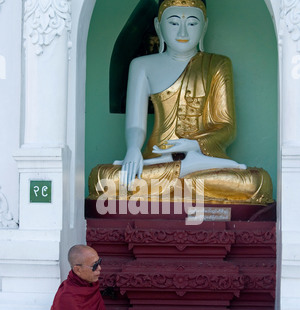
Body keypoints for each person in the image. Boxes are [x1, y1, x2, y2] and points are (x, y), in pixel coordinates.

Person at [88, 0, 273, 205]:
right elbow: (135, 124)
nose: (182, 32)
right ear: (159, 26)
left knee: (255, 182)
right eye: (174, 23)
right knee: (102, 179)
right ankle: (186, 171)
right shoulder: (142, 66)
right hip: (156, 161)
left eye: (192, 23)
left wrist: (195, 144)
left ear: (205, 26)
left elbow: (227, 128)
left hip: (203, 162)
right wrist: (133, 149)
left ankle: (189, 167)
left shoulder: (218, 64)